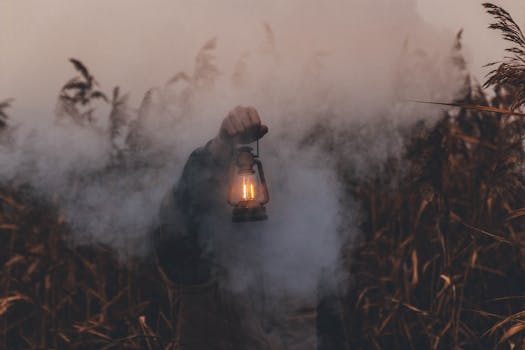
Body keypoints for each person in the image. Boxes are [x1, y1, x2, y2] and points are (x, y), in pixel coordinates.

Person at [154, 106, 347, 349]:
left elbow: (333, 340)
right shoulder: (198, 258)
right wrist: (220, 148)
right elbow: (178, 214)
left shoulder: (304, 259)